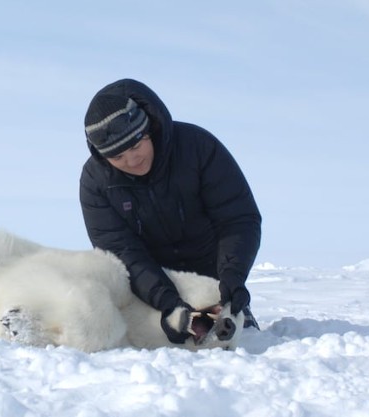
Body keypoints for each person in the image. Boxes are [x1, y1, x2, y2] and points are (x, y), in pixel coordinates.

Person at [79, 78, 262, 344]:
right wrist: (165, 301)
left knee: (228, 335)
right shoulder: (96, 182)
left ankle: (226, 312)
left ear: (148, 130)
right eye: (117, 157)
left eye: (135, 146)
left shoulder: (198, 147)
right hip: (150, 283)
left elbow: (237, 218)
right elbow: (121, 250)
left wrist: (233, 278)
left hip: (212, 276)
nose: (132, 160)